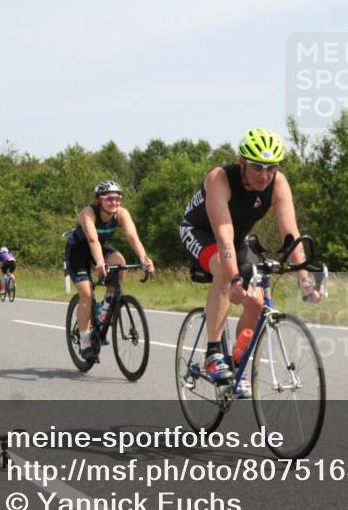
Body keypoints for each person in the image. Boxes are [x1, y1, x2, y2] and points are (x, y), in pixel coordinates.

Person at [180, 128, 323, 397]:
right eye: (257, 167)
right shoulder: (220, 178)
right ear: (242, 162)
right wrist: (234, 278)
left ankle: (235, 365)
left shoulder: (278, 183)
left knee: (256, 301)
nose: (264, 175)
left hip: (237, 239)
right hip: (200, 231)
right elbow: (224, 236)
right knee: (224, 272)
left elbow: (290, 234)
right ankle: (213, 354)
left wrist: (304, 279)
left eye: (271, 168)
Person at [65, 180, 155, 361]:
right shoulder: (88, 213)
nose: (115, 202)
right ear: (100, 200)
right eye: (110, 198)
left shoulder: (121, 214)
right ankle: (84, 342)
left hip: (101, 246)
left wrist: (144, 259)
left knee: (119, 263)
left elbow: (132, 236)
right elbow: (92, 240)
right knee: (86, 293)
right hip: (79, 250)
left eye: (118, 198)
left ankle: (104, 310)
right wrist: (99, 262)